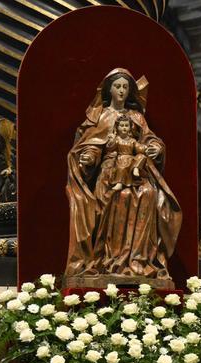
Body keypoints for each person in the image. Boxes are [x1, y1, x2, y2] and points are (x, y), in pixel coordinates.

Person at [66, 68, 182, 280]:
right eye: (117, 86)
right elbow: (91, 145)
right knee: (118, 197)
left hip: (136, 174)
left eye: (125, 87)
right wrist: (89, 157)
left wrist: (156, 147)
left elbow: (147, 140)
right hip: (110, 173)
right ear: (109, 89)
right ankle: (109, 261)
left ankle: (137, 260)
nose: (121, 90)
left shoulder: (136, 116)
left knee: (148, 194)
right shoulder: (101, 116)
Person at [103, 114, 148, 192]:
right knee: (121, 168)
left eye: (126, 125)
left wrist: (145, 148)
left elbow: (139, 148)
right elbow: (110, 148)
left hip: (131, 159)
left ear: (130, 128)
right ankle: (119, 183)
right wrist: (112, 141)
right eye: (122, 125)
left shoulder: (132, 140)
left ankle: (136, 168)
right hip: (121, 159)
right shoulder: (117, 139)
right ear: (117, 127)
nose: (124, 127)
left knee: (142, 156)